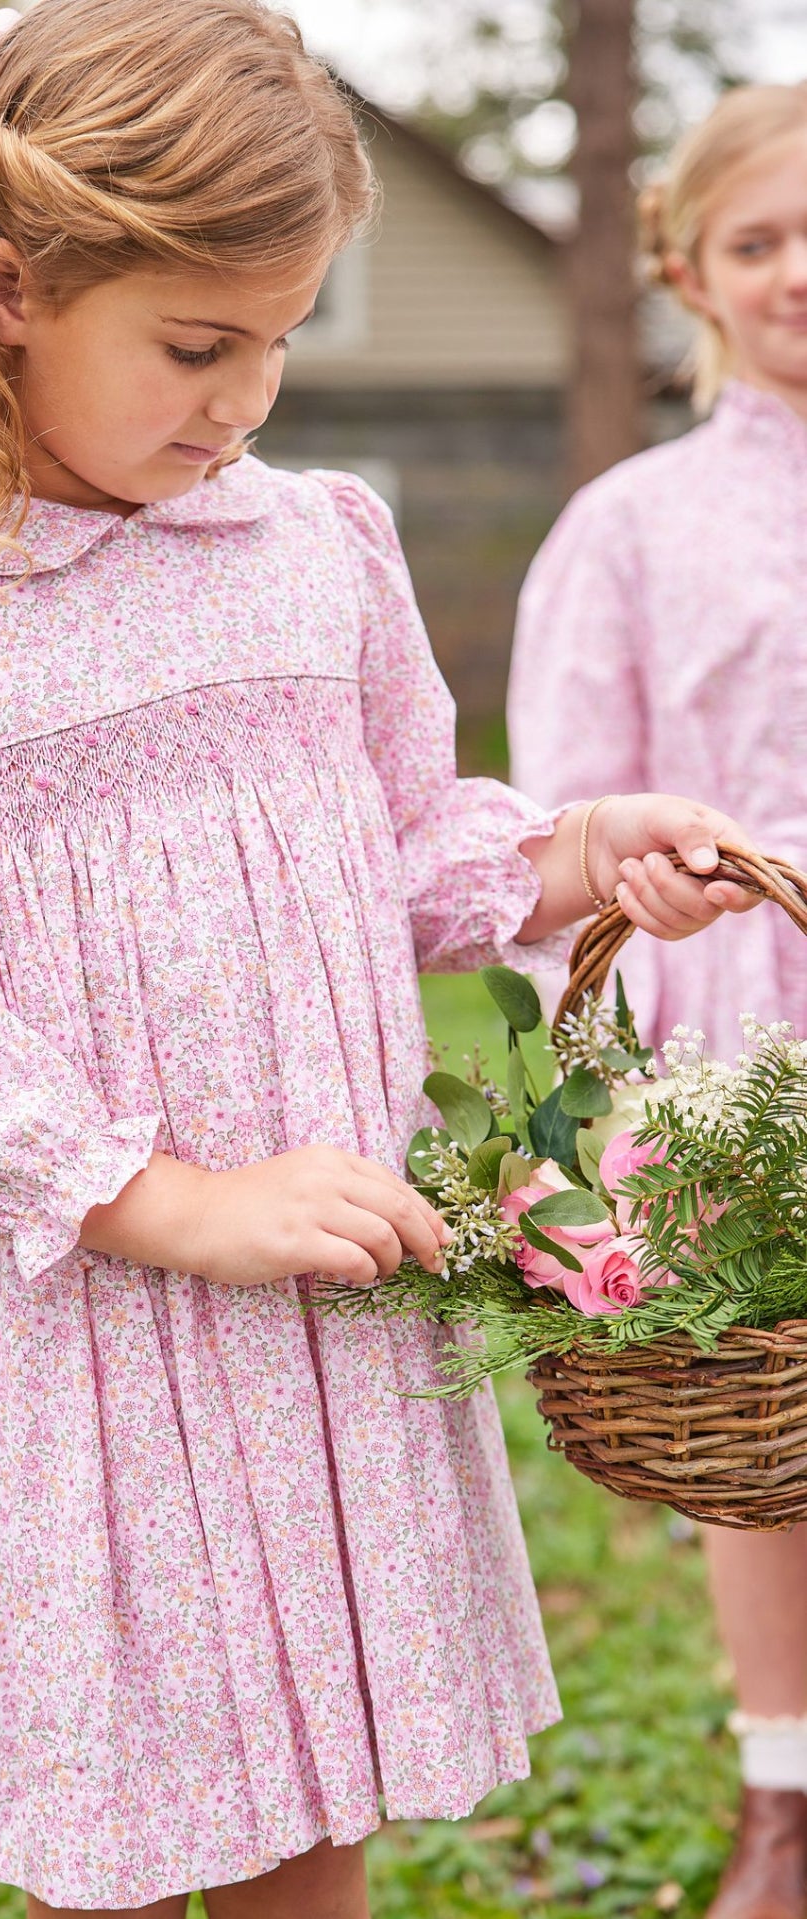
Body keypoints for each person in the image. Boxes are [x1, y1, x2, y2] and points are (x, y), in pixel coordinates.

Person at [0, 4, 761, 1911]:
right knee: (115, 1799)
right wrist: (156, 1196)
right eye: (198, 346)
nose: (246, 399)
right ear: (11, 285)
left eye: (282, 339)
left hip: (317, 1285)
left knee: (310, 1795)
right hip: (85, 1324)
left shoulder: (314, 552)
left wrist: (568, 854)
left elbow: (389, 846)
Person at [508, 81, 807, 1919]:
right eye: (758, 240)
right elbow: (560, 820)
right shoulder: (631, 525)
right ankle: (786, 1789)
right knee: (776, 1435)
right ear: (686, 270)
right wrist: (638, 899)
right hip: (749, 1028)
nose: (799, 275)